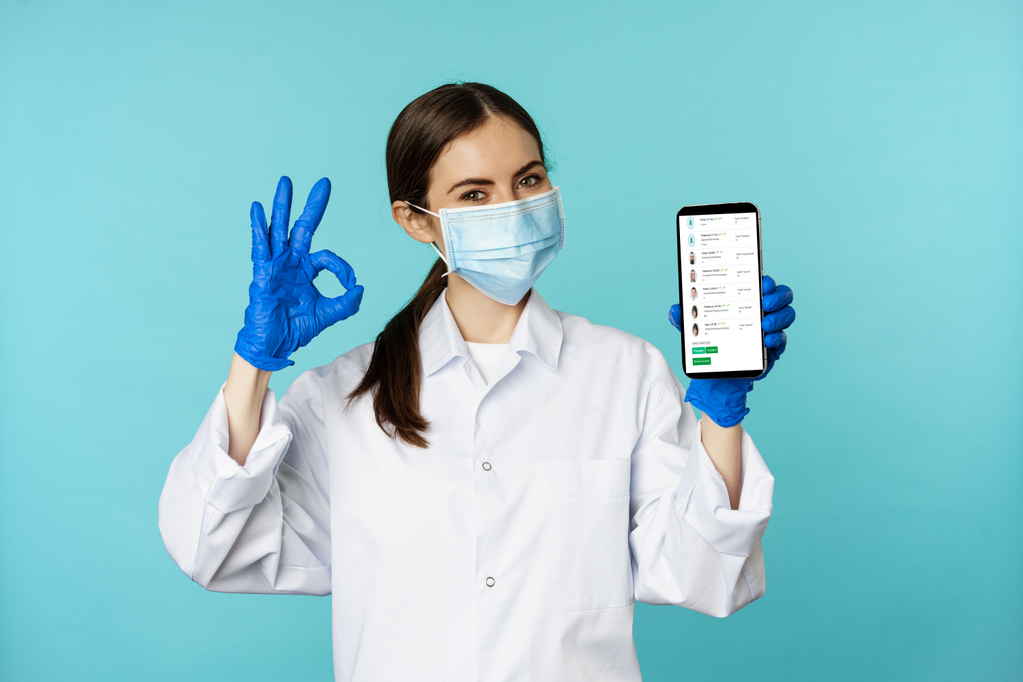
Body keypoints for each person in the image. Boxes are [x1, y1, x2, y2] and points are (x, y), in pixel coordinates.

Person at [158, 82, 796, 682]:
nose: (512, 210)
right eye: (473, 195)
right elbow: (210, 547)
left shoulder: (625, 373)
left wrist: (722, 410)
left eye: (528, 180)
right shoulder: (343, 397)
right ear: (416, 220)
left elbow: (702, 573)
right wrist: (254, 362)